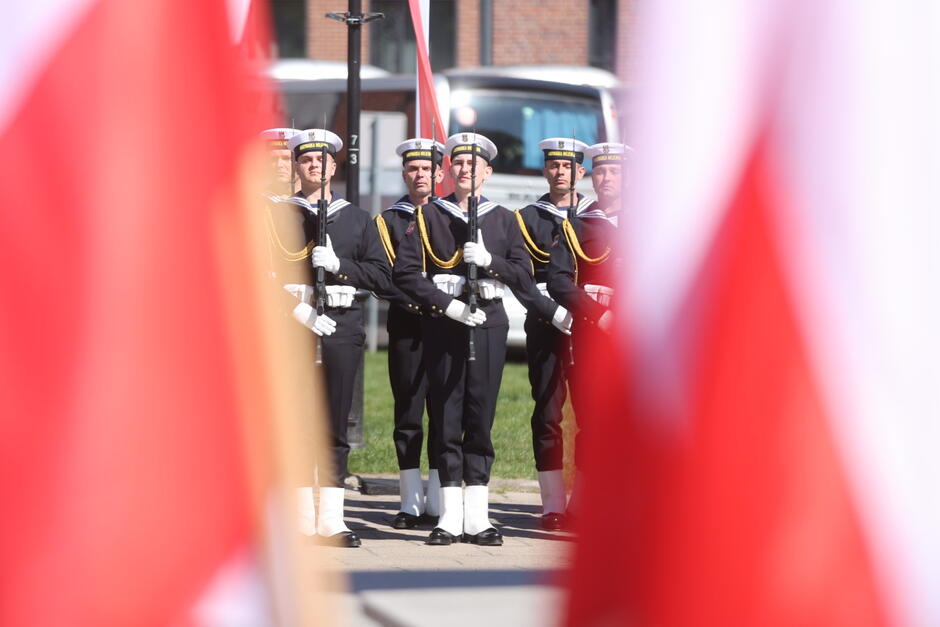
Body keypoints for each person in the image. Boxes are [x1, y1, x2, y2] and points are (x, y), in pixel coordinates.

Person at [393, 132, 531, 546]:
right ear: (449, 170)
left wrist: (491, 261)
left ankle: (479, 516)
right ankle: (451, 516)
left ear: (487, 172)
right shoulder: (428, 216)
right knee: (447, 415)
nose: (466, 169)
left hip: (488, 322)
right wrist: (447, 305)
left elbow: (524, 276)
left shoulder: (505, 219)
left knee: (480, 415)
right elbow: (406, 274)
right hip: (447, 322)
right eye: (459, 162)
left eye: (475, 164)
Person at [286, 128, 391, 547]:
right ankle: (298, 518)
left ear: (333, 166)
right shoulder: (280, 215)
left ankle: (331, 519)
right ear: (298, 167)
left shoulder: (358, 218)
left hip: (341, 327)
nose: (315, 166)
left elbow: (383, 277)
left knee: (334, 421)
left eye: (321, 160)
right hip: (292, 328)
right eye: (306, 160)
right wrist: (297, 310)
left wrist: (342, 265)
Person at [546, 142, 628, 521]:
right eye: (600, 171)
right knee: (591, 418)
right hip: (593, 332)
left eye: (614, 171)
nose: (606, 178)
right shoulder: (576, 225)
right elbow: (560, 282)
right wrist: (599, 315)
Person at [513, 137, 591, 531]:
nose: (560, 172)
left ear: (581, 171)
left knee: (589, 415)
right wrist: (554, 312)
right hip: (547, 322)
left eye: (568, 166)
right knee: (547, 411)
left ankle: (582, 501)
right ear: (545, 170)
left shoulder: (595, 217)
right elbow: (522, 280)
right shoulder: (527, 219)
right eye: (553, 166)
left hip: (589, 326)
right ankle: (552, 503)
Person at [373, 138, 445, 529]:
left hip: (446, 324)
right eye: (412, 169)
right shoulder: (388, 221)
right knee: (408, 411)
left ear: (439, 174)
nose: (420, 175)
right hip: (407, 324)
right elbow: (383, 276)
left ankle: (438, 496)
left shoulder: (450, 216)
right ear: (404, 174)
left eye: (427, 169)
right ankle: (409, 500)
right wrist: (420, 301)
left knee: (444, 410)